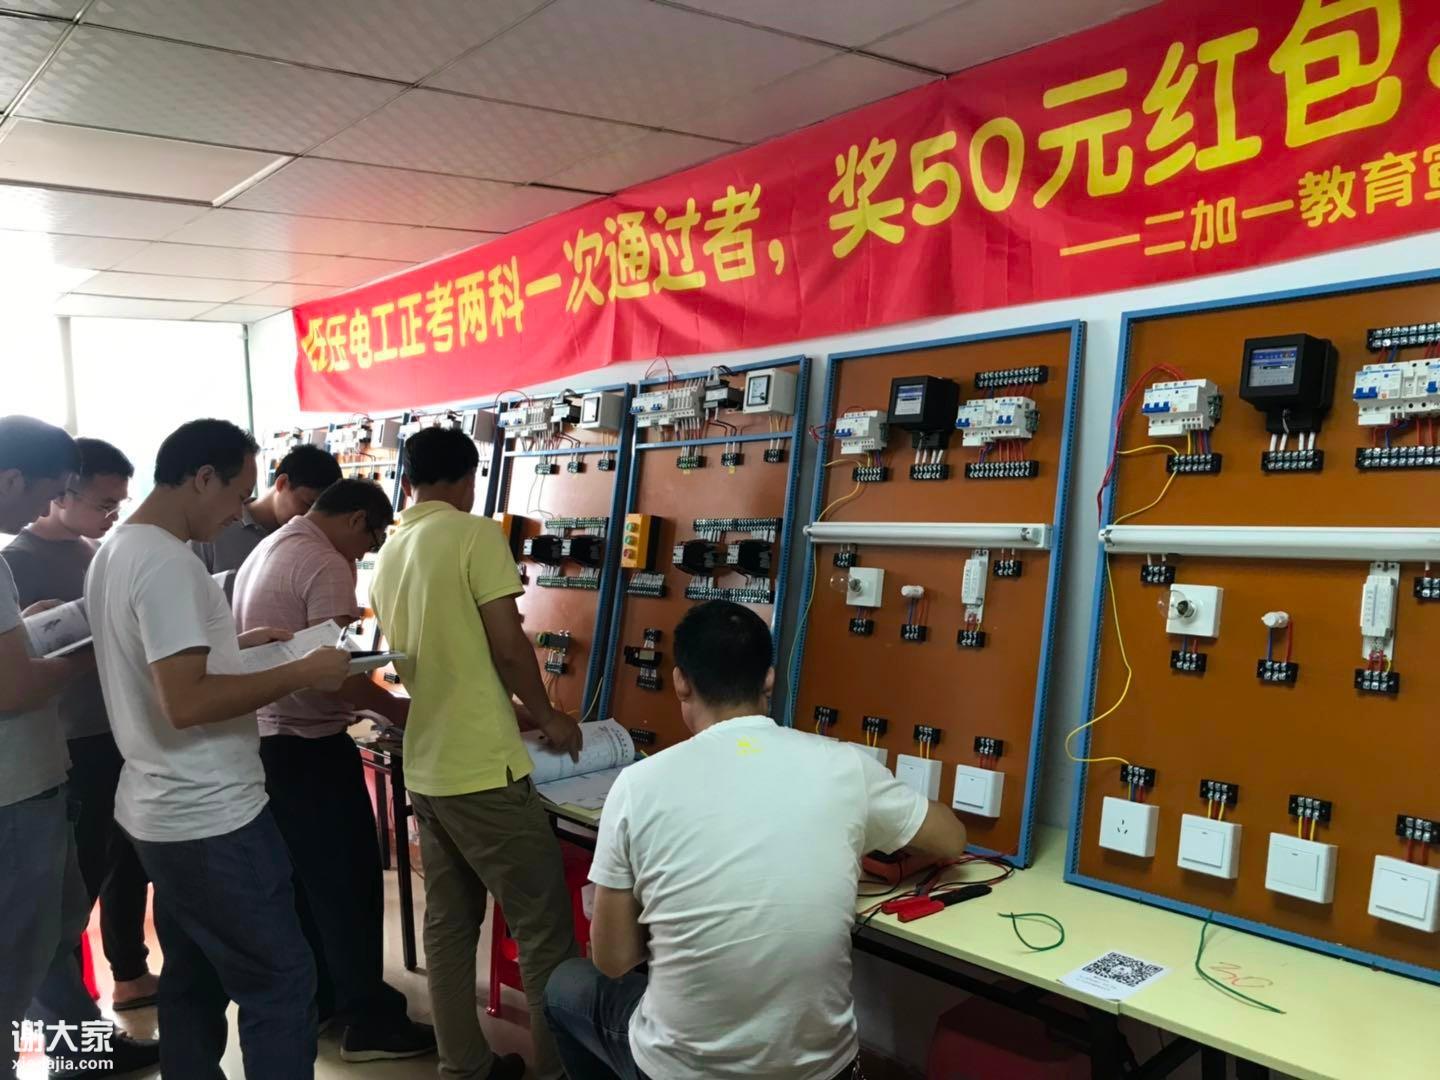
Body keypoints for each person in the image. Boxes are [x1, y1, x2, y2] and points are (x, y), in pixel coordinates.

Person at [544, 600, 970, 1080]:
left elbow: (613, 959)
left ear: (681, 681)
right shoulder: (845, 765)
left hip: (682, 1071)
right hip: (825, 1072)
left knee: (565, 986)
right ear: (768, 679)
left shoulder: (638, 786)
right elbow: (951, 838)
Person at [86, 418, 352, 1080]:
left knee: (193, 972)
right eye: (238, 493)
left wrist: (238, 650)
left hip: (160, 809)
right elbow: (186, 702)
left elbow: (165, 671)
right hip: (211, 815)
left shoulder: (117, 549)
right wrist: (302, 670)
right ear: (202, 477)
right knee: (281, 981)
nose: (240, 510)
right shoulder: (169, 564)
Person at [369, 426, 583, 1080]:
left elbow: (446, 660)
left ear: (409, 480)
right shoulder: (474, 534)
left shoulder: (390, 550)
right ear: (467, 478)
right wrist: (549, 717)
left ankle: (463, 1064)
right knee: (544, 929)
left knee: (451, 921)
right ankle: (556, 1071)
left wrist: (508, 708)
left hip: (428, 764)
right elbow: (509, 646)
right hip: (483, 773)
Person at [232, 478, 435, 1064]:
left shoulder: (270, 547)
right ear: (355, 520)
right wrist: (400, 710)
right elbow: (335, 674)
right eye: (371, 539)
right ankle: (369, 1022)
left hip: (267, 744)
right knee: (349, 885)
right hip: (310, 748)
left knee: (306, 887)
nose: (366, 553)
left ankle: (323, 999)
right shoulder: (324, 561)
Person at [0, 416, 159, 1078]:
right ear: (16, 480)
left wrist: (31, 632)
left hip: (41, 774)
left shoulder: (91, 552)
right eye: (48, 492)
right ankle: (72, 1053)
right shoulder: (12, 558)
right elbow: (13, 688)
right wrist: (92, 648)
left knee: (51, 932)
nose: (45, 506)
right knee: (23, 950)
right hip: (20, 784)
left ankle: (79, 1049)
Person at [191, 442, 342, 586]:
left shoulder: (305, 541)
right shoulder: (216, 526)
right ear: (282, 483)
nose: (309, 518)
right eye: (307, 504)